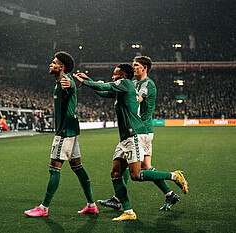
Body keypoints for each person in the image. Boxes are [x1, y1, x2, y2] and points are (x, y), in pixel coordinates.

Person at [73, 63, 188, 221]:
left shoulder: (126, 83)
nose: (113, 77)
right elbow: (103, 90)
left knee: (136, 175)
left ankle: (174, 176)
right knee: (115, 172)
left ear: (123, 76)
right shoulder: (124, 87)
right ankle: (128, 210)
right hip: (126, 137)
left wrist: (85, 81)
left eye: (115, 74)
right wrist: (89, 81)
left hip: (134, 134)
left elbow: (106, 85)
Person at [98, 56, 180, 211]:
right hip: (138, 130)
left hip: (142, 130)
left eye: (136, 65)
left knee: (134, 166)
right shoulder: (133, 83)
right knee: (144, 167)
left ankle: (119, 199)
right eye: (133, 65)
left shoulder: (147, 84)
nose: (133, 67)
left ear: (145, 68)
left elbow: (137, 99)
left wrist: (117, 88)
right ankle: (169, 194)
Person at [24, 51, 98, 217]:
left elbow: (70, 84)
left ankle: (43, 208)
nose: (51, 64)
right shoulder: (60, 81)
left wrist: (70, 82)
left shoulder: (65, 80)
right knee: (78, 168)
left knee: (54, 169)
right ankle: (91, 204)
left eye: (54, 62)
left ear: (61, 67)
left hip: (65, 132)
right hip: (72, 131)